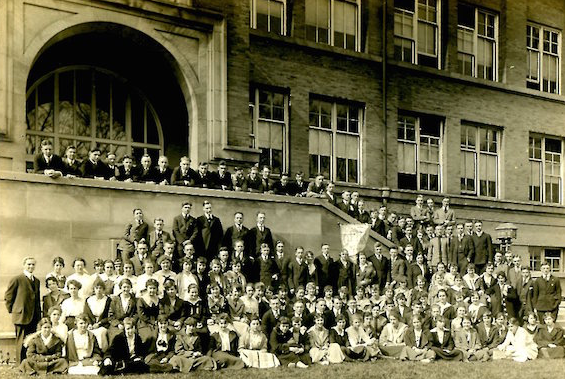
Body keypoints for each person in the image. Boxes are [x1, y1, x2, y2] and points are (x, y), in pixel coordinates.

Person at [4, 257, 42, 363]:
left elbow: (37, 300)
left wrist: (38, 316)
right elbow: (8, 297)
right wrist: (15, 310)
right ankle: (20, 364)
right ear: (24, 265)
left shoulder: (37, 281)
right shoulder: (17, 279)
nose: (31, 266)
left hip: (34, 316)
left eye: (33, 264)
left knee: (31, 340)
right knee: (21, 341)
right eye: (29, 264)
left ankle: (29, 362)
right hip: (21, 316)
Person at [84, 278, 111, 351]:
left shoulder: (107, 300)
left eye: (100, 288)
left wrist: (99, 324)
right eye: (97, 288)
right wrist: (89, 324)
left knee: (100, 332)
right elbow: (86, 314)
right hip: (91, 324)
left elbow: (109, 316)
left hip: (103, 324)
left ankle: (102, 352)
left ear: (103, 289)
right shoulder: (89, 300)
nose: (98, 290)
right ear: (94, 289)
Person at [108, 278, 137, 344]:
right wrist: (118, 324)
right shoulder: (115, 300)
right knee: (116, 336)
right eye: (124, 287)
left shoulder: (134, 300)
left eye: (128, 287)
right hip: (117, 325)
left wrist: (130, 322)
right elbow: (110, 315)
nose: (126, 289)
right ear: (120, 288)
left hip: (130, 324)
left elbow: (136, 314)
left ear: (130, 288)